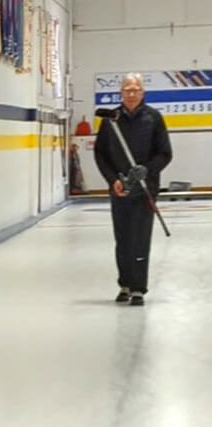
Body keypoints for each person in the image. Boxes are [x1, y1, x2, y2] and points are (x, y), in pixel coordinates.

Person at [93, 73, 172, 305]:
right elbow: (100, 154)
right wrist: (111, 180)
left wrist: (147, 170)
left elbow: (165, 153)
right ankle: (125, 284)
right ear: (121, 93)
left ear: (142, 92)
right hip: (120, 187)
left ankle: (138, 288)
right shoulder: (111, 120)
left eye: (135, 89)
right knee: (123, 237)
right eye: (127, 89)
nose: (131, 93)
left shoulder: (154, 118)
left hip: (145, 188)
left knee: (140, 237)